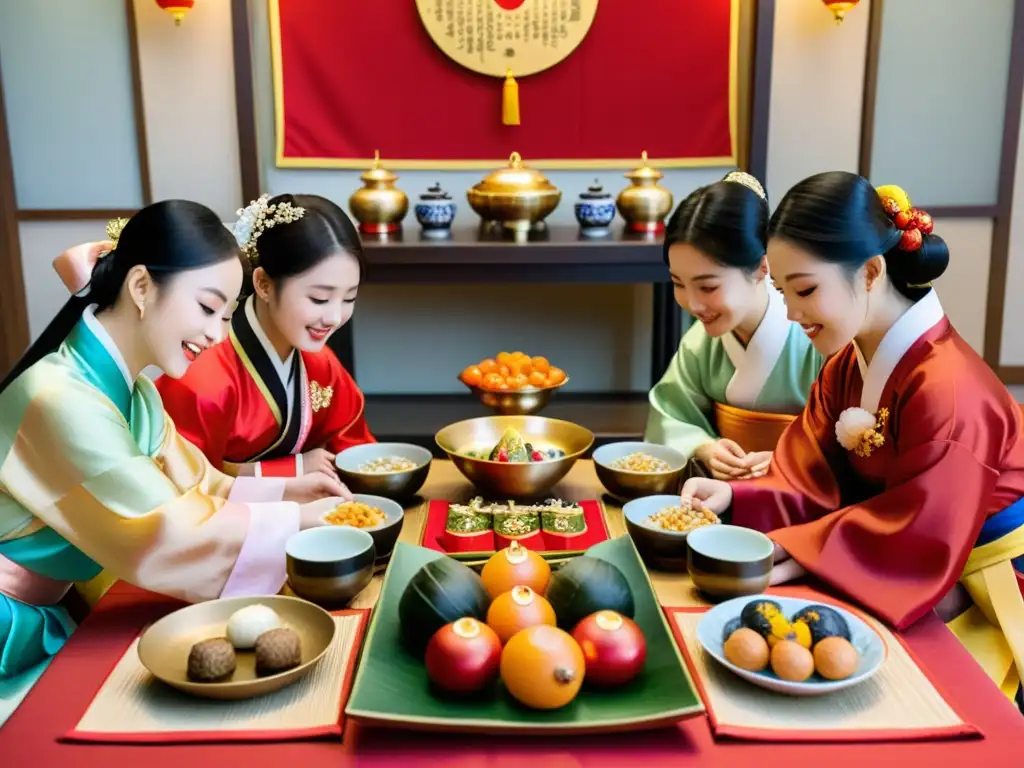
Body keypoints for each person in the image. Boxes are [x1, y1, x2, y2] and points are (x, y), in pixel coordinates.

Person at [680, 172, 1024, 706]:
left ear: (870, 272)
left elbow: (923, 528)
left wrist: (808, 550)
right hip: (898, 552)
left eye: (807, 290)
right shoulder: (847, 366)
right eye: (782, 293)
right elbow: (808, 467)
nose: (792, 314)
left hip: (974, 578)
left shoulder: (950, 388)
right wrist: (738, 496)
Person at [0, 201, 347, 725]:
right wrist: (296, 523)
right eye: (207, 308)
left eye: (227, 315)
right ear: (141, 288)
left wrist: (289, 494)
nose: (216, 333)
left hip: (46, 609)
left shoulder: (134, 391)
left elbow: (196, 481)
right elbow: (170, 528)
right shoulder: (58, 398)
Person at [156, 194, 374, 480]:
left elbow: (356, 453)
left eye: (349, 298)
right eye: (319, 298)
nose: (335, 317)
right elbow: (181, 482)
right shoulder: (200, 376)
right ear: (264, 284)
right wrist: (289, 470)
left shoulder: (320, 365)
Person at [644, 171, 823, 480]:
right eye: (678, 284)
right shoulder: (699, 345)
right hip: (720, 497)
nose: (693, 304)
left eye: (708, 287)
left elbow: (846, 439)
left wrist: (790, 457)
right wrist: (702, 446)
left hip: (803, 496)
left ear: (761, 267)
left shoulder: (818, 337)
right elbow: (669, 415)